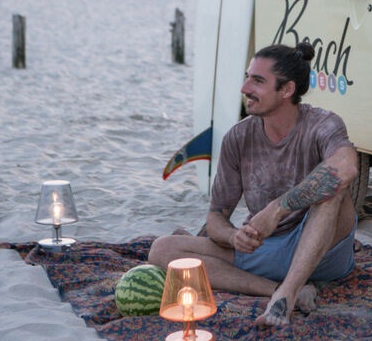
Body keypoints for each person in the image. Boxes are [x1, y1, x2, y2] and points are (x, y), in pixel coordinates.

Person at [148, 42, 358, 328]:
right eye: (247, 77)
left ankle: (288, 290)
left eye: (257, 81)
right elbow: (215, 219)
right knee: (162, 249)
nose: (245, 88)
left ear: (287, 90)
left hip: (323, 251)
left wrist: (277, 209)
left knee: (333, 188)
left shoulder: (322, 124)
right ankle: (274, 290)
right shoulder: (238, 137)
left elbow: (347, 166)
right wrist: (235, 238)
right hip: (264, 251)